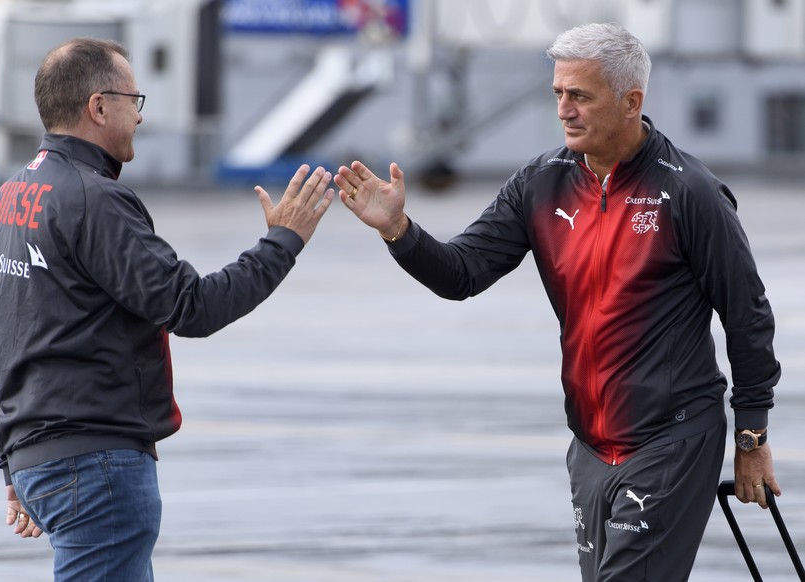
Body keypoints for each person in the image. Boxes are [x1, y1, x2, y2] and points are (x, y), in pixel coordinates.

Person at [334, 22, 781, 581]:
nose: (564, 109)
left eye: (580, 96)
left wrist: (752, 434)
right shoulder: (539, 183)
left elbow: (747, 315)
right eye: (558, 95)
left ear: (630, 102)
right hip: (591, 445)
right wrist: (399, 229)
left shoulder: (689, 192)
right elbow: (462, 274)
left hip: (672, 438)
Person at [0, 37, 333, 581]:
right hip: (96, 468)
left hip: (41, 464)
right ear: (98, 106)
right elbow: (194, 307)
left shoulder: (9, 197)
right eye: (134, 100)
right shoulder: (95, 199)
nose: (139, 116)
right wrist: (284, 241)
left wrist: (13, 460)